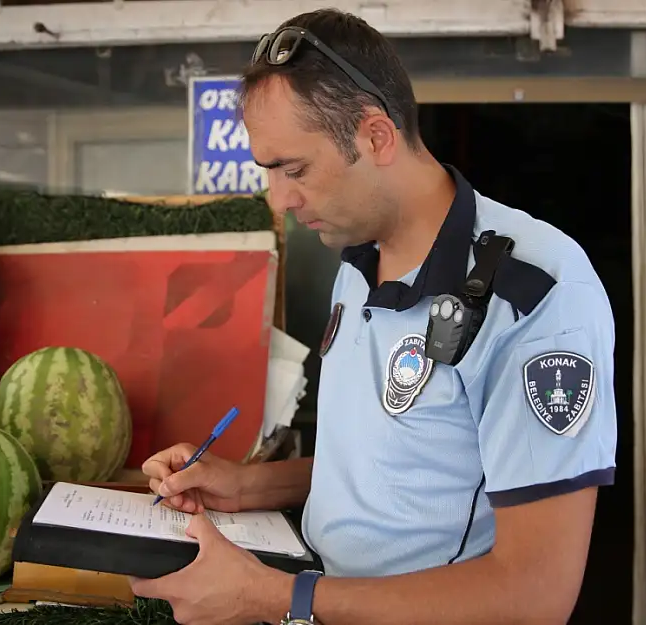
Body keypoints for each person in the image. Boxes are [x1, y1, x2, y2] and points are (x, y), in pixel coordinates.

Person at [129, 8, 617, 625]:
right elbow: (401, 463)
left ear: (376, 136)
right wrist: (249, 485)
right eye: (268, 172)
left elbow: (534, 593)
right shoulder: (358, 263)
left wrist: (275, 598)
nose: (278, 199)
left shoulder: (536, 292)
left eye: (293, 169)